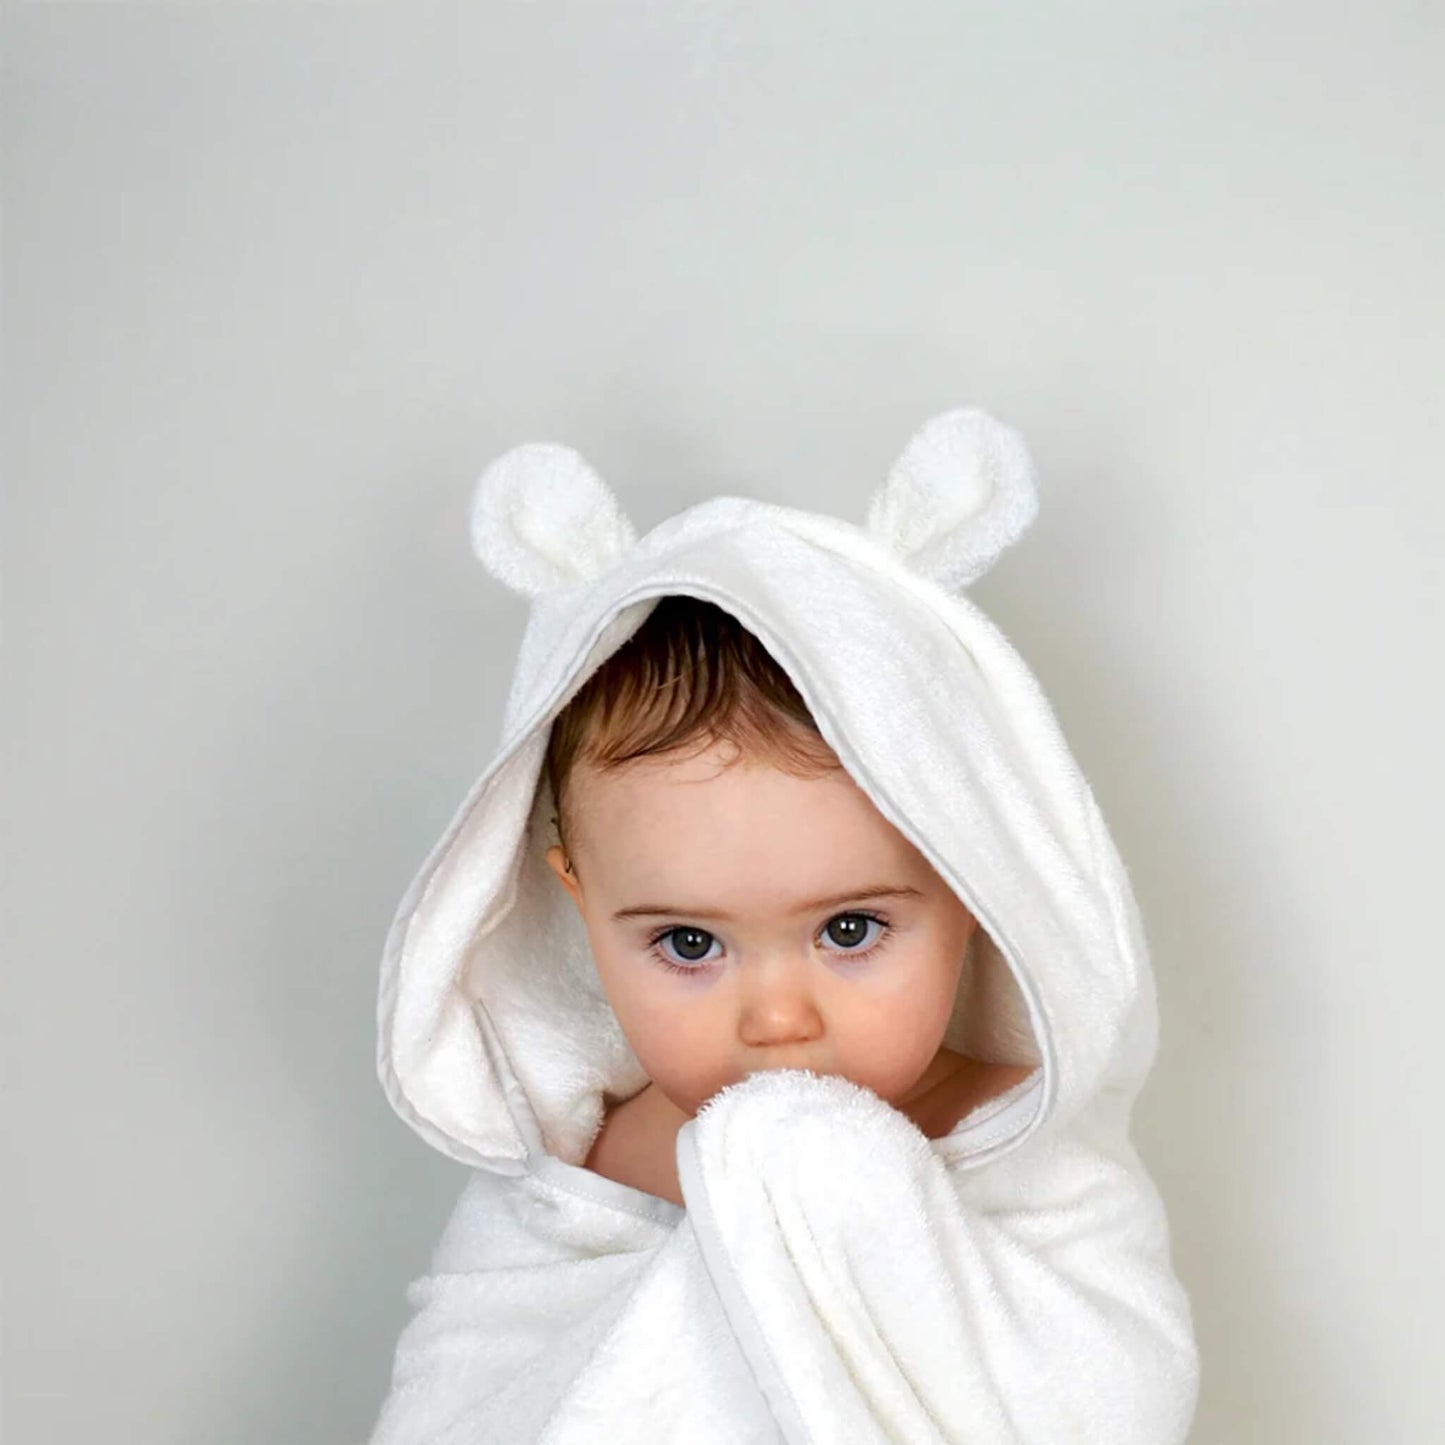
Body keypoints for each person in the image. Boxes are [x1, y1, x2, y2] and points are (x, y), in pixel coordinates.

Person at [367, 408, 1202, 1444]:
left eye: (849, 929)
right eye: (687, 942)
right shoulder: (580, 1172)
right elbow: (462, 1403)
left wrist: (822, 1180)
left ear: (970, 895)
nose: (774, 1016)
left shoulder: (1023, 1149)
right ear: (577, 905)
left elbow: (1107, 1395)